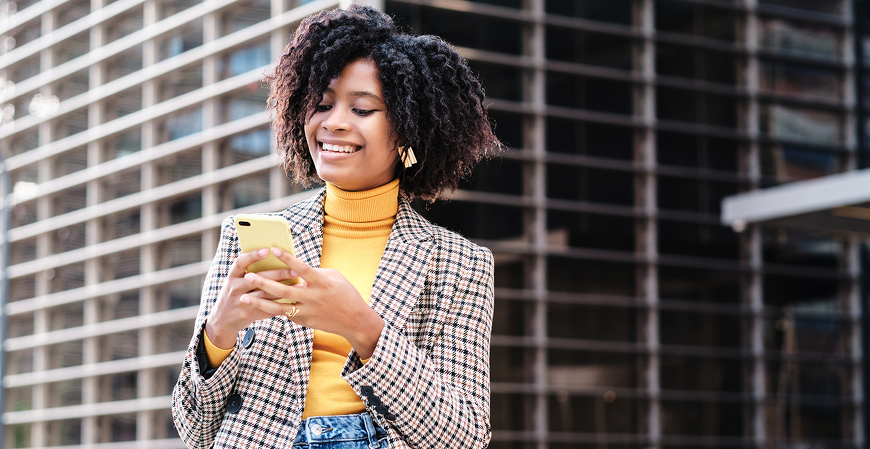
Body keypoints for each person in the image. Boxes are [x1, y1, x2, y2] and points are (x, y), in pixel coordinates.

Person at [171, 5, 501, 448]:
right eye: (322, 104)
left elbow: (464, 436)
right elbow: (195, 429)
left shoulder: (460, 263)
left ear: (407, 131)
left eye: (362, 109)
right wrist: (219, 334)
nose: (334, 122)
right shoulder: (247, 236)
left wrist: (365, 329)